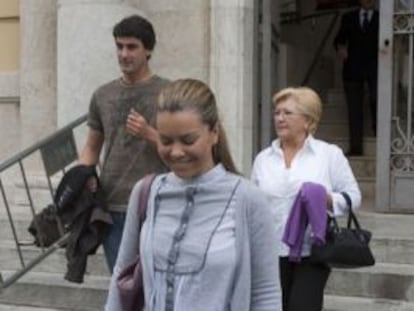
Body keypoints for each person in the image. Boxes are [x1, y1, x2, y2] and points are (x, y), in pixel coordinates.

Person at [105, 78, 282, 311]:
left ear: (214, 133)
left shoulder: (249, 200)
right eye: (166, 141)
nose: (176, 152)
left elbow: (265, 294)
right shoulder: (145, 193)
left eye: (188, 140)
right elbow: (121, 274)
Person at [251, 86, 361, 311]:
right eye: (277, 113)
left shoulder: (329, 154)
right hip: (270, 253)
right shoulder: (263, 159)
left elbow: (354, 196)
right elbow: (253, 205)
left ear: (308, 120)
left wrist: (325, 198)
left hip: (312, 251)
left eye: (288, 113)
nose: (280, 118)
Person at [78, 14, 169, 272]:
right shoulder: (102, 95)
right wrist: (82, 175)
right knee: (122, 284)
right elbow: (92, 147)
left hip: (156, 204)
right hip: (113, 205)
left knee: (156, 283)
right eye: (119, 46)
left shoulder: (169, 93)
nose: (124, 54)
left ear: (148, 50)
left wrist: (149, 133)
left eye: (132, 47)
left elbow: (182, 151)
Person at [334, 0, 379, 156]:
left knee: (376, 100)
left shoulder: (382, 18)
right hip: (352, 69)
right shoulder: (349, 17)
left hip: (377, 69)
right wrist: (340, 48)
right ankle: (355, 147)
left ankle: (379, 134)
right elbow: (339, 39)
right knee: (354, 109)